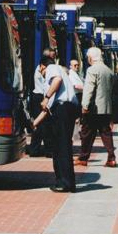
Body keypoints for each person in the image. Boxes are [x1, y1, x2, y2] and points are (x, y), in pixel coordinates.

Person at [34, 54, 79, 193]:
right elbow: (48, 108)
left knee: (62, 147)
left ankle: (65, 183)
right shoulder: (58, 75)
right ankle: (64, 181)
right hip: (64, 109)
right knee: (60, 147)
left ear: (42, 66)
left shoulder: (52, 68)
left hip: (63, 109)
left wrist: (46, 97)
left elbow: (57, 81)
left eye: (40, 71)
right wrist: (35, 122)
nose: (42, 74)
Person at [76, 47, 116, 167]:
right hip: (106, 107)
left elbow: (89, 89)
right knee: (106, 133)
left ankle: (83, 157)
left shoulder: (92, 70)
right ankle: (111, 158)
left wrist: (85, 105)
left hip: (94, 108)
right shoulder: (108, 70)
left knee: (87, 133)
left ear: (90, 57)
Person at [27, 48, 56, 157]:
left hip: (39, 97)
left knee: (40, 125)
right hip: (41, 97)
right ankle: (48, 150)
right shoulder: (43, 69)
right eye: (52, 56)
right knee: (45, 124)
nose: (54, 58)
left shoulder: (42, 68)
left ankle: (34, 149)